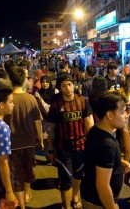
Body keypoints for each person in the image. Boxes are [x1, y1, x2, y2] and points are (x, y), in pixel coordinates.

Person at [48, 74, 94, 209]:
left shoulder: (82, 101)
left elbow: (89, 124)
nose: (68, 88)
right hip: (63, 147)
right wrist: (51, 149)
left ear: (74, 85)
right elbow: (52, 129)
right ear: (60, 88)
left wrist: (92, 146)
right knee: (66, 178)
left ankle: (75, 195)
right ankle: (66, 205)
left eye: (69, 84)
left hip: (81, 145)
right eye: (64, 85)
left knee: (79, 174)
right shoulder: (56, 105)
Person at [80, 92, 130, 208]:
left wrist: (119, 163)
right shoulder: (107, 145)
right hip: (99, 202)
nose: (126, 115)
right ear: (109, 115)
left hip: (90, 195)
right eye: (122, 112)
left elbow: (96, 158)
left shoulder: (96, 129)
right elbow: (102, 186)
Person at [4, 66, 43, 209]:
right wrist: (40, 138)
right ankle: (27, 193)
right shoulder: (30, 98)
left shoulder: (7, 99)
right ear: (24, 80)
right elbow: (37, 122)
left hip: (12, 143)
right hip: (29, 142)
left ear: (10, 80)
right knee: (29, 169)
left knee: (17, 174)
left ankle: (21, 204)